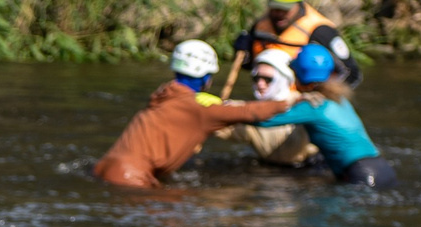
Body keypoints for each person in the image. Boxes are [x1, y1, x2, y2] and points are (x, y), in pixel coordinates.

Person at [93, 38, 292, 188]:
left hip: (104, 169)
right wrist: (289, 102)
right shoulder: (201, 110)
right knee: (188, 208)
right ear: (206, 77)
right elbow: (251, 113)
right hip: (130, 178)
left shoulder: (163, 94)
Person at [247, 37, 394, 187]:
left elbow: (263, 121)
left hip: (361, 173)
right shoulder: (338, 98)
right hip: (381, 168)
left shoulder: (313, 105)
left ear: (299, 75)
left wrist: (229, 111)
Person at [236, 0, 333, 60]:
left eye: (285, 9)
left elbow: (346, 71)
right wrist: (245, 53)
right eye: (275, 7)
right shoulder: (260, 27)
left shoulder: (321, 32)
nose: (279, 14)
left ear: (299, 3)